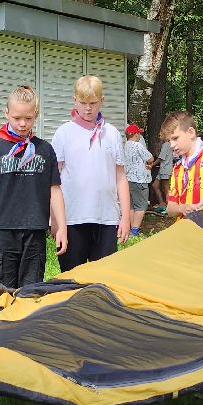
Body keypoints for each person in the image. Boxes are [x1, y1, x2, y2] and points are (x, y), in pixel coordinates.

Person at [0, 85, 68, 287]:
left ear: (35, 115)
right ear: (7, 113)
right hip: (0, 232)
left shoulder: (45, 150)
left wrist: (61, 226)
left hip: (34, 232)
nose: (22, 124)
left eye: (28, 118)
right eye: (17, 118)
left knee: (29, 291)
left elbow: (54, 190)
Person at [51, 75, 130, 270]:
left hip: (106, 217)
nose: (88, 108)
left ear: (101, 101)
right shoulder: (64, 133)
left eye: (93, 103)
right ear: (74, 101)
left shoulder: (111, 133)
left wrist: (126, 217)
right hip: (72, 217)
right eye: (83, 103)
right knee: (71, 277)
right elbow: (54, 182)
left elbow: (121, 177)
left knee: (103, 279)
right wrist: (55, 220)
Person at [122, 123, 155, 236]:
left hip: (128, 179)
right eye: (139, 133)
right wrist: (149, 163)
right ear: (135, 134)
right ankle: (135, 231)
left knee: (131, 205)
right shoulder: (138, 145)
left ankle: (131, 228)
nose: (140, 135)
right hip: (139, 179)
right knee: (141, 205)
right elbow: (150, 158)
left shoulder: (125, 145)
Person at [154, 135, 175, 214]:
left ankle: (170, 207)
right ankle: (162, 203)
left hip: (165, 169)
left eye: (160, 135)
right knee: (155, 185)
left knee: (166, 189)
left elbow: (161, 158)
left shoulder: (166, 144)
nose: (159, 137)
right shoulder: (168, 144)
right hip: (162, 169)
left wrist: (152, 165)